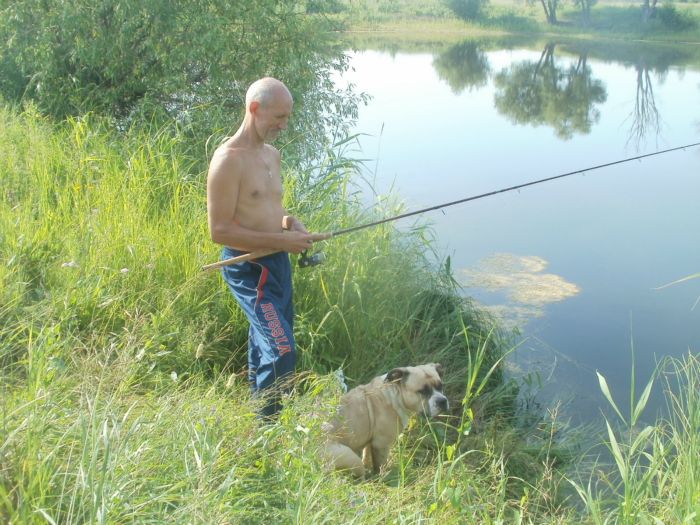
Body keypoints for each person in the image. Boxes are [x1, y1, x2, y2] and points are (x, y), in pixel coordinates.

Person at [207, 77, 327, 418]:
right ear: (255, 109)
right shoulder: (228, 160)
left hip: (277, 265)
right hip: (249, 268)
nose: (283, 125)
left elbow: (270, 211)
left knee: (266, 343)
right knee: (281, 347)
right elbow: (220, 231)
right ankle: (268, 428)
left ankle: (260, 417)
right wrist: (282, 241)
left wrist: (291, 224)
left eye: (287, 117)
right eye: (278, 117)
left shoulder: (272, 155)